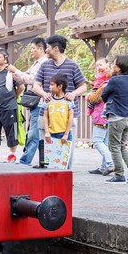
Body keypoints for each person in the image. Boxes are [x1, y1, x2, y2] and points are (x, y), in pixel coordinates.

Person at [30, 35, 87, 168]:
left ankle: (66, 175)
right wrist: (44, 94)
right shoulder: (44, 65)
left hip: (68, 115)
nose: (46, 51)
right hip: (47, 113)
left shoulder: (73, 65)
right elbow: (35, 85)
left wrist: (73, 94)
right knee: (46, 144)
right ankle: (48, 175)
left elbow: (83, 86)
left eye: (48, 48)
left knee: (66, 146)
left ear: (56, 48)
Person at [98, 54, 128, 184]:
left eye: (114, 64)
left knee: (114, 147)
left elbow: (103, 96)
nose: (112, 66)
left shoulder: (114, 80)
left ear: (120, 68)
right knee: (121, 146)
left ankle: (119, 175)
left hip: (116, 117)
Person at [7, 37, 49, 166]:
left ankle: (25, 161)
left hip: (40, 102)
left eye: (33, 48)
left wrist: (15, 71)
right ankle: (35, 160)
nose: (31, 51)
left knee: (34, 134)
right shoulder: (36, 63)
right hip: (36, 103)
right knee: (34, 132)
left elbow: (32, 79)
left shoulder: (43, 63)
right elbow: (24, 78)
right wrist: (14, 73)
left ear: (41, 49)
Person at [0, 49, 24, 162]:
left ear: (5, 59)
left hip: (9, 108)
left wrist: (13, 97)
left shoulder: (10, 73)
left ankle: (12, 154)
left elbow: (21, 87)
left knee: (12, 131)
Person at [86, 58, 114, 175]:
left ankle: (110, 163)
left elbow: (95, 98)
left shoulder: (105, 83)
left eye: (102, 65)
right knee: (105, 143)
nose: (99, 68)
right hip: (109, 114)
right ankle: (104, 167)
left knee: (97, 141)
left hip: (101, 114)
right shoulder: (112, 81)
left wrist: (88, 96)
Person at [44, 73, 73, 147]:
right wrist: (47, 132)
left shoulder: (68, 101)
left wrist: (66, 134)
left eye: (52, 85)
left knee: (64, 158)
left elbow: (70, 118)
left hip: (64, 134)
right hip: (51, 135)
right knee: (50, 158)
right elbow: (45, 117)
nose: (49, 87)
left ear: (60, 86)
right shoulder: (48, 100)